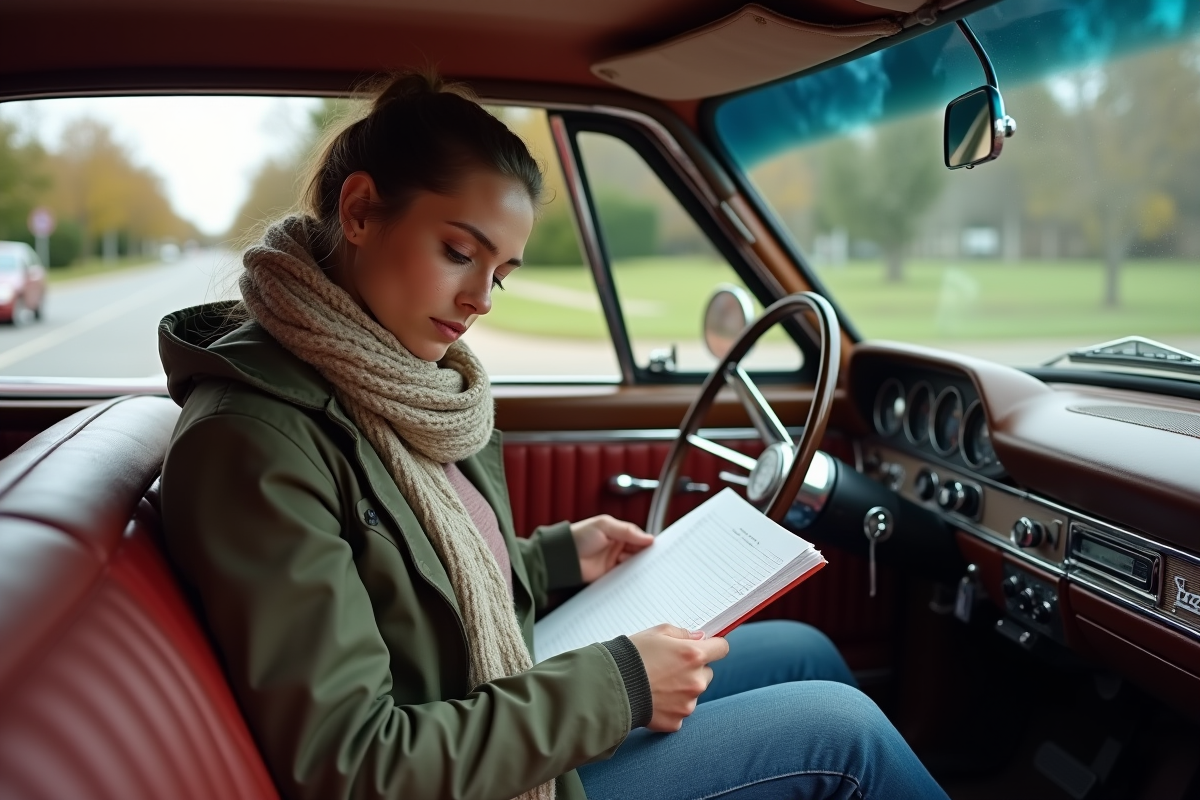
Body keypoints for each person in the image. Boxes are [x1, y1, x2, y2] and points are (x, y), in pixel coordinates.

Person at [157, 72, 950, 800]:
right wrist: (621, 686)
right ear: (359, 210)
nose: (481, 300)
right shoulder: (254, 443)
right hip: (465, 772)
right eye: (459, 252)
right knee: (845, 736)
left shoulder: (402, 383)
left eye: (499, 273)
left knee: (801, 648)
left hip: (491, 709)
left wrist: (559, 556)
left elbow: (415, 584)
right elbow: (356, 763)